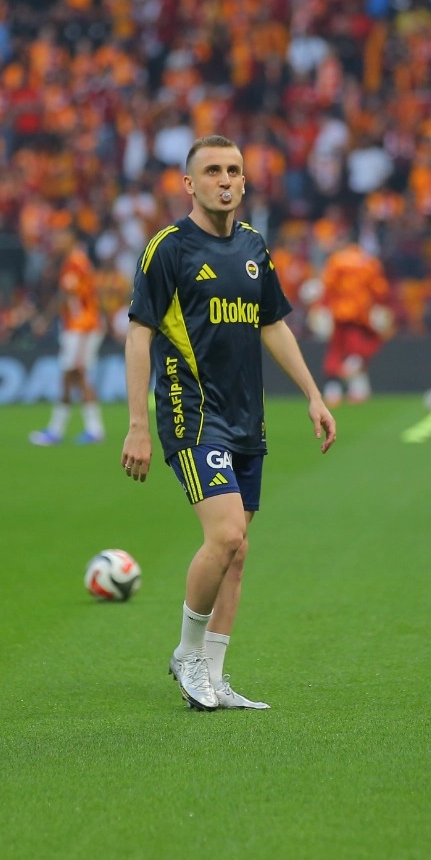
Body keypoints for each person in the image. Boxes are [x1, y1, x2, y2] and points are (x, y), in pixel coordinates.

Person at [121, 135, 336, 711]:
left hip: (247, 416)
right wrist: (138, 424)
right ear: (189, 184)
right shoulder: (167, 249)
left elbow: (272, 324)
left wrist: (313, 395)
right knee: (226, 535)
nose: (225, 180)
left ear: (244, 181)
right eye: (213, 170)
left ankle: (214, 677)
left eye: (234, 170)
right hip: (192, 413)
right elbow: (139, 335)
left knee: (238, 553)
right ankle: (188, 654)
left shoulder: (253, 246)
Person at [30, 227, 107, 446]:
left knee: (75, 375)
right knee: (73, 376)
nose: (56, 243)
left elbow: (65, 294)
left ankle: (68, 430)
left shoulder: (75, 262)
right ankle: (80, 429)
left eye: (60, 238)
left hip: (82, 327)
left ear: (72, 239)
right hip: (78, 327)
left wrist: (45, 320)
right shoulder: (75, 261)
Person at [319, 233, 392, 406]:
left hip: (339, 313)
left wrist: (322, 306)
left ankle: (333, 391)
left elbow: (328, 286)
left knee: (336, 350)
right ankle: (354, 378)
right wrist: (378, 307)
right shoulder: (369, 262)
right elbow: (380, 289)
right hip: (361, 314)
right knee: (360, 348)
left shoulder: (336, 260)